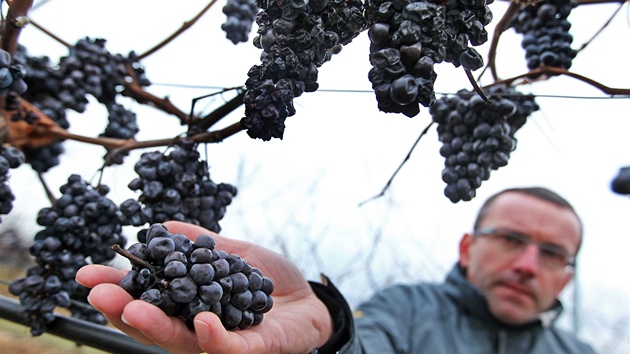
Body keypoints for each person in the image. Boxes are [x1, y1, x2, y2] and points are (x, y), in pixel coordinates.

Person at [76, 186, 597, 353]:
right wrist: (325, 328)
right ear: (467, 247)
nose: (528, 265)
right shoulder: (406, 310)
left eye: (552, 254)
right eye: (510, 239)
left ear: (568, 275)